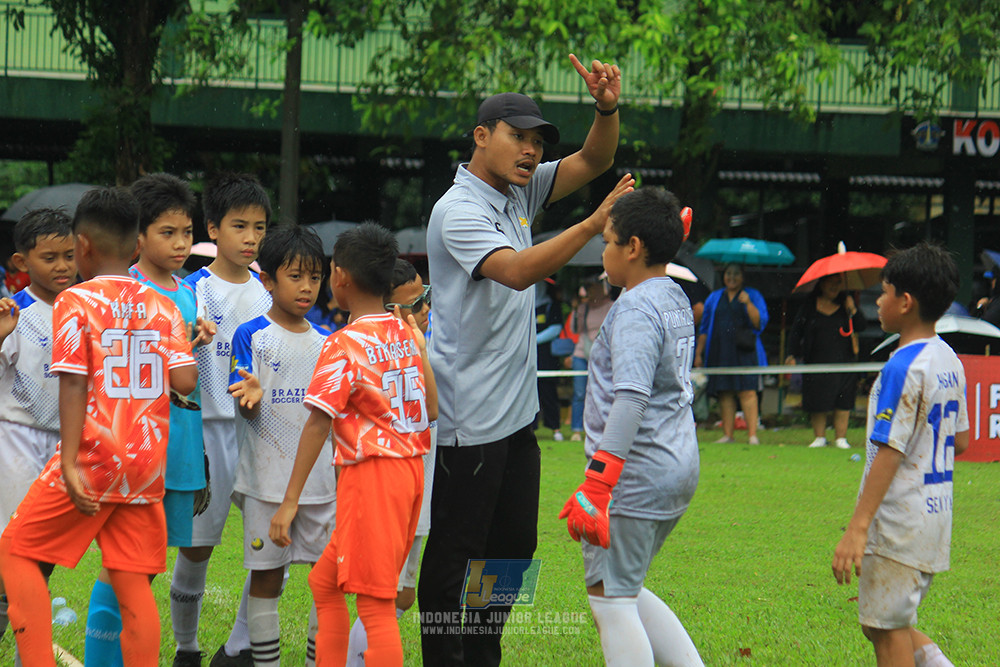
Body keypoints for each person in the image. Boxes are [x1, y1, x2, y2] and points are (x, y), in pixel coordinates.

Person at [421, 51, 633, 664]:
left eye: (538, 142)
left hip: (516, 417)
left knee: (515, 548)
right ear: (481, 136)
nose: (532, 151)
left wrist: (606, 109)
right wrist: (591, 225)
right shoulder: (457, 210)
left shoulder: (519, 190)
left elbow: (595, 159)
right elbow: (514, 272)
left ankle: (483, 652)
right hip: (467, 421)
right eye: (518, 137)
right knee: (456, 550)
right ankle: (445, 658)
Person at [0, 187, 197, 667]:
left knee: (15, 550)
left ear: (82, 245)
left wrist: (68, 461)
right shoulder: (164, 304)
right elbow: (185, 381)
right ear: (136, 246)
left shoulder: (75, 300)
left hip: (94, 453)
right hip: (145, 461)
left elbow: (73, 381)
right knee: (131, 581)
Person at [269, 223, 435, 666]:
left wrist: (290, 501)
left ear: (339, 276)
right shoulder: (405, 331)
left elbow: (317, 424)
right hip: (410, 473)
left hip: (374, 478)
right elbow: (431, 409)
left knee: (376, 606)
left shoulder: (343, 343)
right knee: (324, 582)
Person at [559, 187, 704, 667]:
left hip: (635, 473)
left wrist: (598, 483)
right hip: (674, 463)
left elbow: (632, 396)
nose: (603, 253)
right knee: (625, 586)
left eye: (608, 242)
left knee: (610, 599)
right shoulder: (673, 295)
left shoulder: (637, 308)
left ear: (634, 247)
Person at [82, 173, 216, 667]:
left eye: (187, 232)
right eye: (167, 232)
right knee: (125, 564)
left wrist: (194, 337)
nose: (181, 243)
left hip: (180, 441)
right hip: (137, 444)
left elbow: (181, 370)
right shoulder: (125, 290)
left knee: (148, 564)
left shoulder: (186, 290)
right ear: (137, 235)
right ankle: (102, 658)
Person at [832, 242, 968, 667]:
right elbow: (961, 440)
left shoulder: (901, 366)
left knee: (888, 632)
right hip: (934, 514)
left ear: (905, 302)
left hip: (897, 522)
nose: (878, 301)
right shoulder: (948, 358)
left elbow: (889, 450)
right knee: (881, 623)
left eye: (884, 292)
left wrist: (857, 528)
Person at [175, 173, 273, 667]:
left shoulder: (270, 292)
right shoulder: (190, 291)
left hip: (258, 433)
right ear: (212, 229)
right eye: (239, 226)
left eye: (260, 227)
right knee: (197, 550)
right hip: (206, 432)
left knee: (272, 545)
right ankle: (186, 649)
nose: (251, 238)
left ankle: (237, 648)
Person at [226, 224, 334, 667]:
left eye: (315, 277)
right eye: (295, 276)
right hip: (267, 483)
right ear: (268, 280)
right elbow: (244, 401)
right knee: (267, 578)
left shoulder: (328, 341)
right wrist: (251, 397)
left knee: (326, 582)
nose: (307, 287)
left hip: (321, 484)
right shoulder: (250, 335)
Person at [345, 257, 436, 665]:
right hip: (385, 486)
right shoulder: (363, 349)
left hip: (415, 484)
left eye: (426, 297)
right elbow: (431, 411)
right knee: (382, 596)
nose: (426, 309)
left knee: (401, 594)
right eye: (416, 303)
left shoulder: (418, 342)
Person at [0, 208, 75, 646]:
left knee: (42, 550)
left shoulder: (84, 309)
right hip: (17, 440)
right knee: (13, 545)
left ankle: (27, 630)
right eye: (50, 258)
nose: (63, 266)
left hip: (66, 444)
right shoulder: (15, 312)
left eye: (69, 255)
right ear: (21, 261)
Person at [785, 273, 866, 450]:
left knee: (843, 400)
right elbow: (796, 331)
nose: (834, 287)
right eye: (831, 283)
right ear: (821, 284)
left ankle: (841, 438)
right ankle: (819, 437)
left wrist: (853, 309)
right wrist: (791, 354)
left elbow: (861, 326)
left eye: (838, 283)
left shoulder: (846, 304)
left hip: (844, 362)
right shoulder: (809, 306)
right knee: (817, 400)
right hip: (816, 361)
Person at [694, 263, 768, 445]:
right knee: (725, 392)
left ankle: (752, 435)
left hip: (745, 350)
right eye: (728, 273)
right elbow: (704, 327)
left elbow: (759, 323)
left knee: (747, 391)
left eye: (736, 274)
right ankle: (728, 435)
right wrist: (698, 353)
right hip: (720, 350)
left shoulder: (753, 295)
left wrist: (748, 303)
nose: (732, 277)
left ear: (743, 277)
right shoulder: (714, 297)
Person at [569, 275, 613, 441]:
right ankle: (577, 429)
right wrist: (575, 310)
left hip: (603, 355)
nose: (590, 291)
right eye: (588, 287)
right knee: (580, 392)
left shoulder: (612, 306)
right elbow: (574, 329)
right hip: (582, 354)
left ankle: (603, 428)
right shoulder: (583, 308)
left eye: (593, 287)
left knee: (603, 392)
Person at [534, 278, 565, 439]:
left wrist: (533, 340)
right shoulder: (525, 306)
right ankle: (530, 429)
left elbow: (556, 329)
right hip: (529, 358)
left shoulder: (552, 306)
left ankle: (555, 428)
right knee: (528, 394)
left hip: (547, 358)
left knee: (548, 393)